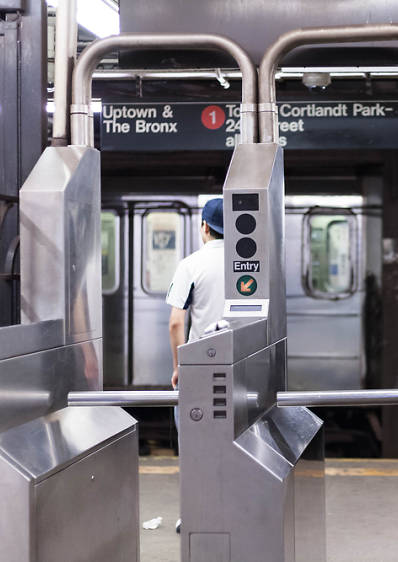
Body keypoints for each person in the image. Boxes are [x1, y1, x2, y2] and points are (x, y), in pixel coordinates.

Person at [165, 197, 225, 533]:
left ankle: (196, 514)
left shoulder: (192, 263)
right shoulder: (248, 263)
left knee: (195, 446)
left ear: (205, 227)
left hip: (201, 368)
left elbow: (176, 322)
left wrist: (179, 366)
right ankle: (233, 508)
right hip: (240, 365)